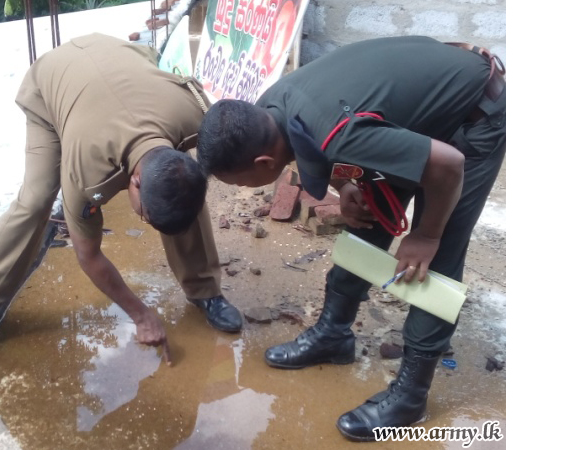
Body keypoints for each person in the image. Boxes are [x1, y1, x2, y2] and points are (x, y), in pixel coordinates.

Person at [197, 36, 505, 441]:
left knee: (437, 257)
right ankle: (333, 335)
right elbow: (325, 141)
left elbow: (448, 165)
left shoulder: (334, 131)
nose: (244, 189)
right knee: (366, 220)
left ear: (263, 162)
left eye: (240, 183)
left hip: (471, 119)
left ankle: (412, 395)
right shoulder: (269, 109)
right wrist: (346, 183)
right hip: (409, 119)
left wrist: (425, 234)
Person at [0, 33, 243, 361]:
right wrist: (141, 315)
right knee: (35, 199)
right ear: (134, 182)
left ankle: (205, 292)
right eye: (145, 216)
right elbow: (89, 255)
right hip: (52, 87)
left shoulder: (195, 116)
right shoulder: (90, 178)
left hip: (122, 64)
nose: (145, 222)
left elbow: (193, 174)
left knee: (181, 187)